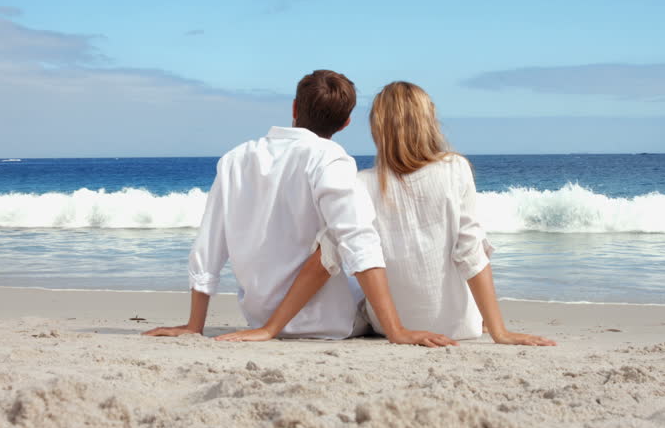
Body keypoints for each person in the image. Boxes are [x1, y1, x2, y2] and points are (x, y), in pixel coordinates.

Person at [218, 81, 555, 346]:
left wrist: (270, 328)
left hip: (386, 325)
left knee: (347, 260)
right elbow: (470, 253)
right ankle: (485, 321)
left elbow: (323, 263)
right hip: (460, 327)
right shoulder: (456, 168)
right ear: (429, 121)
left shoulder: (361, 183)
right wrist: (499, 331)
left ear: (376, 129)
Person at [144, 71, 456, 347]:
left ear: (294, 108)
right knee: (353, 231)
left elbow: (208, 245)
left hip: (259, 316)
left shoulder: (234, 159)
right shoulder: (329, 158)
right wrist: (397, 330)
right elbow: (359, 241)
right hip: (331, 323)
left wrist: (194, 325)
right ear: (346, 123)